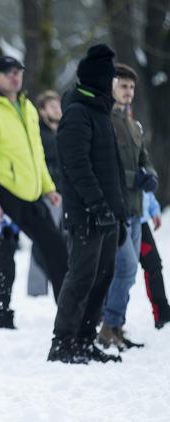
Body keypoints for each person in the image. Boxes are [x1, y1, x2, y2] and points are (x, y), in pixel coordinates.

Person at [0, 56, 68, 329]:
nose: (15, 77)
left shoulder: (27, 107)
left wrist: (48, 187)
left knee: (56, 247)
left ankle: (68, 308)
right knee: (5, 254)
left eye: (18, 72)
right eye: (8, 72)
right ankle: (1, 313)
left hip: (31, 193)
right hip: (3, 193)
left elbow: (36, 153)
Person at [48, 44, 127, 364]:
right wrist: (98, 207)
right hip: (87, 215)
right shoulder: (78, 113)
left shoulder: (100, 112)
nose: (112, 84)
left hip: (108, 216)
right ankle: (63, 341)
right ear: (98, 79)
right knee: (81, 278)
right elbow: (76, 168)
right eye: (109, 78)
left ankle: (83, 338)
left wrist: (118, 213)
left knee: (102, 277)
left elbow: (112, 168)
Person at [97, 63, 158, 350]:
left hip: (136, 212)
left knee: (126, 273)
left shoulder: (133, 124)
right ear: (111, 87)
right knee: (126, 268)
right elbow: (111, 168)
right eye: (123, 86)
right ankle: (107, 327)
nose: (128, 91)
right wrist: (138, 177)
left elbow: (144, 158)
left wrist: (151, 176)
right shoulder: (105, 121)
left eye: (132, 87)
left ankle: (117, 327)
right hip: (116, 210)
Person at [27, 90, 64, 297]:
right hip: (46, 194)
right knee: (43, 240)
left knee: (61, 240)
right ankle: (36, 290)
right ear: (42, 111)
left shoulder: (62, 132)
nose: (57, 110)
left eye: (58, 106)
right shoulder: (40, 134)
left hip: (65, 194)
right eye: (52, 106)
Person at [139, 192, 170, 329]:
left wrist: (153, 209)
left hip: (141, 221)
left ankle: (162, 313)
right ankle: (109, 321)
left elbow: (145, 184)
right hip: (126, 219)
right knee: (118, 271)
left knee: (154, 265)